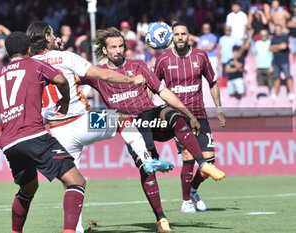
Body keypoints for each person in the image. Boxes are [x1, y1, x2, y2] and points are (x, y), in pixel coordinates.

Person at [26, 21, 174, 233]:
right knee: (121, 118)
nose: (55, 35)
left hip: (57, 130)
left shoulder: (28, 65)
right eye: (52, 33)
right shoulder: (67, 57)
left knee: (72, 183)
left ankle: (74, 228)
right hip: (81, 121)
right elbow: (101, 74)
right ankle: (146, 158)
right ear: (48, 37)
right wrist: (130, 80)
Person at [78, 27, 226, 230]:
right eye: (113, 47)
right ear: (104, 49)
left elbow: (163, 92)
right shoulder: (98, 73)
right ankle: (161, 218)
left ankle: (202, 163)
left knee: (173, 114)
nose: (119, 50)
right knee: (147, 168)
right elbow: (69, 78)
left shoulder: (138, 65)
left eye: (121, 46)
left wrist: (190, 115)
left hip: (150, 116)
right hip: (129, 125)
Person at [0, 31, 86, 233]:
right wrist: (66, 101)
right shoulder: (35, 64)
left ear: (7, 53)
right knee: (76, 181)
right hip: (35, 136)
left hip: (9, 143)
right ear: (28, 50)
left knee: (28, 188)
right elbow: (60, 79)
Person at [153, 22, 226, 213]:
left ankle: (193, 189)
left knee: (209, 163)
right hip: (176, 117)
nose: (179, 37)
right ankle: (186, 202)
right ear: (172, 37)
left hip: (199, 114)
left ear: (188, 35)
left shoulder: (201, 56)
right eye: (176, 34)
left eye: (183, 34)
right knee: (188, 157)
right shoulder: (163, 60)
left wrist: (218, 108)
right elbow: (152, 84)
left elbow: (213, 82)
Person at [269, 24, 295, 100]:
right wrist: (279, 47)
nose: (277, 31)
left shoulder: (284, 37)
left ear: (281, 29)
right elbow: (270, 48)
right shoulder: (273, 39)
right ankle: (275, 94)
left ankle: (291, 93)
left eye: (278, 29)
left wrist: (275, 47)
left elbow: (284, 46)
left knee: (288, 76)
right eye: (276, 29)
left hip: (284, 61)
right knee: (276, 78)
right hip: (276, 62)